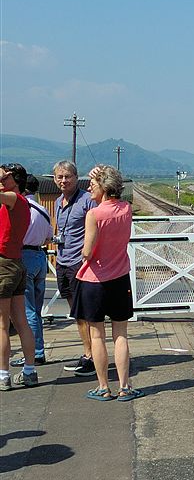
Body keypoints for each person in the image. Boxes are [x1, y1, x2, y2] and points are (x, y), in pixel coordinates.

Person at [74, 164, 142, 401]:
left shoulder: (94, 214)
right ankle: (125, 387)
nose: (89, 188)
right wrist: (100, 173)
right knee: (120, 334)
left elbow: (87, 252)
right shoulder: (127, 209)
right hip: (120, 278)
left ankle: (104, 387)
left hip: (94, 281)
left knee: (97, 336)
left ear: (102, 187)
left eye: (92, 185)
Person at [53, 160, 98, 376]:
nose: (64, 180)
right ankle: (87, 353)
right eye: (59, 177)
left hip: (79, 264)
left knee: (86, 313)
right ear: (54, 179)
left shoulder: (87, 200)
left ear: (76, 177)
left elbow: (98, 228)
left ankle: (92, 357)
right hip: (62, 262)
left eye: (67, 176)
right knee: (76, 313)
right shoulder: (58, 201)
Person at [0, 163, 39, 390]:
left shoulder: (14, 200)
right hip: (16, 263)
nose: (2, 180)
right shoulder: (21, 203)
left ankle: (3, 374)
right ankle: (29, 371)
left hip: (4, 264)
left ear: (16, 179)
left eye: (6, 177)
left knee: (2, 325)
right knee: (21, 321)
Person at [11, 174, 51, 367]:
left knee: (28, 311)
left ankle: (34, 353)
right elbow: (49, 237)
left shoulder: (20, 208)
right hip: (41, 257)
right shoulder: (43, 210)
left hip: (24, 256)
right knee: (36, 309)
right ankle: (38, 350)